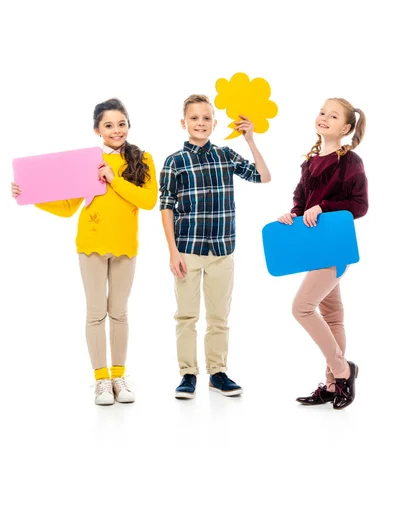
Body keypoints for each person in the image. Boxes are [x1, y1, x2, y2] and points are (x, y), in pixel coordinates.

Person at [11, 98, 158, 405]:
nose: (116, 130)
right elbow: (66, 207)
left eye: (121, 123)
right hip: (90, 245)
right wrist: (30, 196)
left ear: (128, 125)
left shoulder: (142, 159)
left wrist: (114, 179)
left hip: (126, 247)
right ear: (97, 130)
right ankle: (101, 380)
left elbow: (147, 201)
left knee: (119, 313)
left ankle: (119, 376)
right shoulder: (87, 161)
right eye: (108, 125)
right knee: (95, 314)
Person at [159, 94, 271, 399]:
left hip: (222, 250)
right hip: (188, 249)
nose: (200, 123)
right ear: (184, 123)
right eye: (194, 118)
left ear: (215, 123)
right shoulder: (174, 162)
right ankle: (187, 374)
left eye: (206, 118)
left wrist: (250, 140)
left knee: (219, 316)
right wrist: (172, 251)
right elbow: (166, 207)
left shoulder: (225, 155)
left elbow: (263, 176)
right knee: (186, 316)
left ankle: (217, 372)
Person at [278, 97, 368, 410]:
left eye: (333, 116)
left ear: (345, 128)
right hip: (313, 249)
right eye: (321, 112)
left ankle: (343, 370)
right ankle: (332, 385)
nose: (324, 118)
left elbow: (360, 205)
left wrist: (324, 207)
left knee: (301, 307)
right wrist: (292, 214)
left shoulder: (350, 162)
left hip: (334, 248)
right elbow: (301, 202)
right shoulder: (310, 163)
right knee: (331, 315)